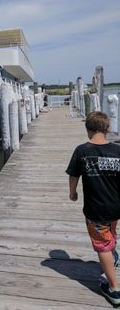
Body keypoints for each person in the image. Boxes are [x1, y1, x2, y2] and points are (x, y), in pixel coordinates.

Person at [66, 111, 120, 305]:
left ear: (88, 129)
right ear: (108, 128)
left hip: (95, 209)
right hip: (115, 206)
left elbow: (73, 175)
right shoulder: (117, 151)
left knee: (102, 246)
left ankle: (114, 290)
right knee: (111, 233)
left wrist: (72, 193)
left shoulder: (82, 151)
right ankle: (113, 256)